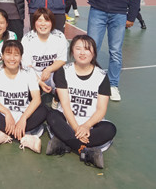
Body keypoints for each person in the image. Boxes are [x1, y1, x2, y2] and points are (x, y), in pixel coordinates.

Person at [46, 35, 117, 169]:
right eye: (78, 48)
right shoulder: (63, 71)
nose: (82, 53)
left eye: (87, 49)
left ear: (93, 52)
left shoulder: (101, 76)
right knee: (52, 116)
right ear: (72, 51)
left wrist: (86, 126)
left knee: (110, 129)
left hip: (90, 125)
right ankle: (84, 151)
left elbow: (101, 109)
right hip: (67, 121)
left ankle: (65, 142)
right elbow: (65, 105)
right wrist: (76, 128)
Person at [0, 40, 46, 153]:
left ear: (21, 57)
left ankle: (5, 134)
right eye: (8, 54)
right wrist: (7, 112)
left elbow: (36, 99)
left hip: (24, 114)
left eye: (16, 55)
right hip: (3, 115)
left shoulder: (29, 72)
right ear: (2, 56)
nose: (12, 58)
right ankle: (25, 137)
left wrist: (23, 118)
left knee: (43, 110)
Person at [21, 8, 68, 105]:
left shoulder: (59, 36)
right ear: (34, 22)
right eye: (39, 20)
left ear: (52, 22)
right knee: (28, 93)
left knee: (64, 73)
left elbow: (62, 60)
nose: (43, 24)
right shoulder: (27, 39)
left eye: (46, 20)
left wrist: (48, 69)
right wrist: (39, 81)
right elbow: (27, 66)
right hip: (35, 75)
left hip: (53, 75)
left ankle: (57, 97)